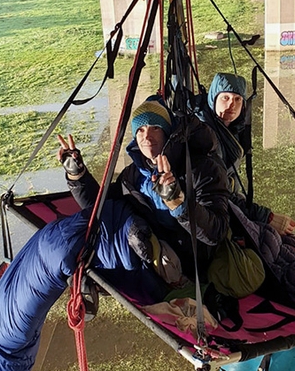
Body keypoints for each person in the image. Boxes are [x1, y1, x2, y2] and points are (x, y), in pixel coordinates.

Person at [0, 194, 180, 371]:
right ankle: (127, 230)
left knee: (138, 285)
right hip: (48, 238)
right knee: (98, 232)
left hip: (62, 256)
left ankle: (135, 241)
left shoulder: (18, 336)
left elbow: (37, 295)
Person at [58, 97, 231, 280]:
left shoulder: (202, 168)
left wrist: (177, 200)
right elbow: (99, 207)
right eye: (140, 130)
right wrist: (77, 174)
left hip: (195, 265)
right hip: (154, 261)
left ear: (167, 132)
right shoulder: (133, 175)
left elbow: (216, 232)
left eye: (155, 128)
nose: (146, 137)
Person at [201, 72, 295, 236]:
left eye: (238, 99)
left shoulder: (231, 129)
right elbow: (218, 193)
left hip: (232, 200)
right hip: (215, 214)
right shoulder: (206, 137)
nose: (232, 104)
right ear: (213, 98)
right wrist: (266, 217)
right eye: (225, 97)